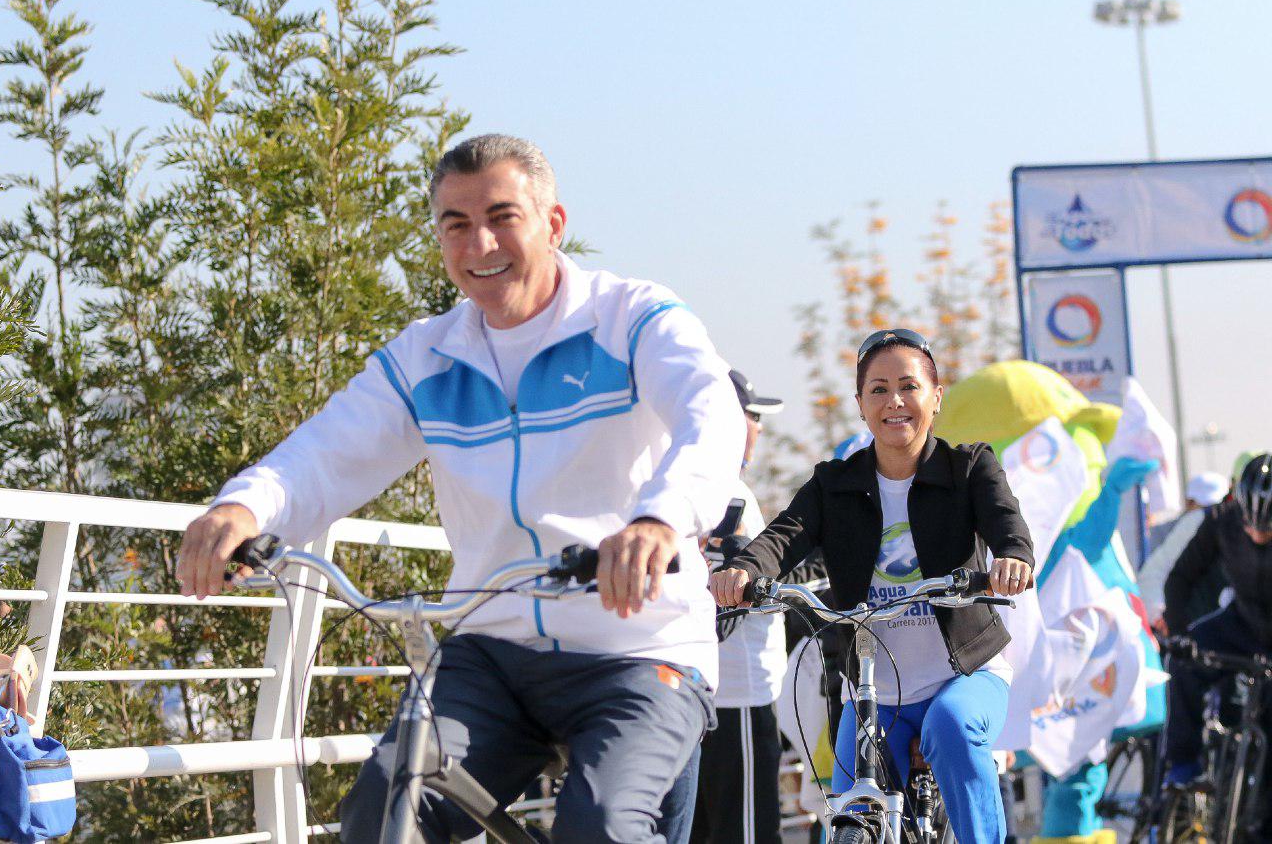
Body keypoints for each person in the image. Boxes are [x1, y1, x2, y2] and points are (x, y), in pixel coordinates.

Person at [175, 134, 746, 843]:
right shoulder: (426, 355)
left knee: (599, 824)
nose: (480, 243)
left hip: (637, 645)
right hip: (492, 647)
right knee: (386, 804)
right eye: (456, 224)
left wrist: (659, 520)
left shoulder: (631, 318)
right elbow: (327, 450)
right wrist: (244, 506)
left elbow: (709, 409)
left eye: (503, 217)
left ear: (554, 223)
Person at [711, 328, 1034, 844]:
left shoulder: (970, 468)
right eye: (878, 390)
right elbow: (783, 536)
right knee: (848, 805)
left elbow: (1007, 527)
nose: (895, 402)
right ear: (861, 405)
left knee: (950, 728)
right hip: (873, 689)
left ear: (936, 396)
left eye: (909, 386)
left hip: (963, 675)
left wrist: (1013, 559)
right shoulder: (833, 484)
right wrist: (745, 571)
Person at [689, 369, 787, 844]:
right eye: (751, 415)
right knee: (746, 833)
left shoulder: (690, 481)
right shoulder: (729, 491)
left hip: (697, 689)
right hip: (737, 692)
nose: (759, 427)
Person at [1162, 453, 1272, 787]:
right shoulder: (1222, 520)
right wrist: (1178, 632)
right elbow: (1180, 578)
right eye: (1250, 526)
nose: (1256, 535)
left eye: (1267, 529)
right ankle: (1183, 763)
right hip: (1240, 623)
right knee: (1182, 660)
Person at [1137, 469, 1230, 634]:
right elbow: (1154, 573)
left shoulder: (1209, 520)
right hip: (1197, 631)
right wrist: (1162, 617)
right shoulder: (1197, 521)